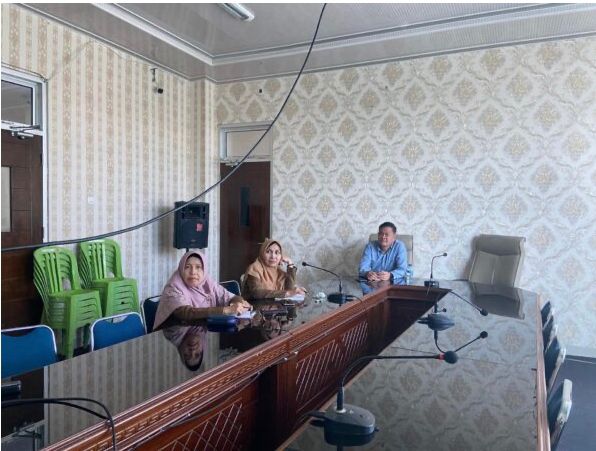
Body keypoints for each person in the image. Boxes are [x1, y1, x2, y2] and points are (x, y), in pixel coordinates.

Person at [153, 251, 252, 330]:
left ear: (204, 270)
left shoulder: (208, 283)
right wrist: (226, 310)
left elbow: (232, 297)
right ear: (181, 269)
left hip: (200, 331)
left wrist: (238, 304)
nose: (193, 272)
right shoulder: (173, 287)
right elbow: (185, 313)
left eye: (198, 267)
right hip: (171, 339)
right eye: (187, 267)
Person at [241, 238, 306, 300]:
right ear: (262, 253)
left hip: (274, 306)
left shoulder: (279, 272)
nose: (273, 256)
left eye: (277, 252)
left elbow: (289, 288)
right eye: (268, 252)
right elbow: (257, 292)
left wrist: (290, 264)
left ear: (281, 256)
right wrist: (287, 293)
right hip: (254, 306)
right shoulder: (255, 268)